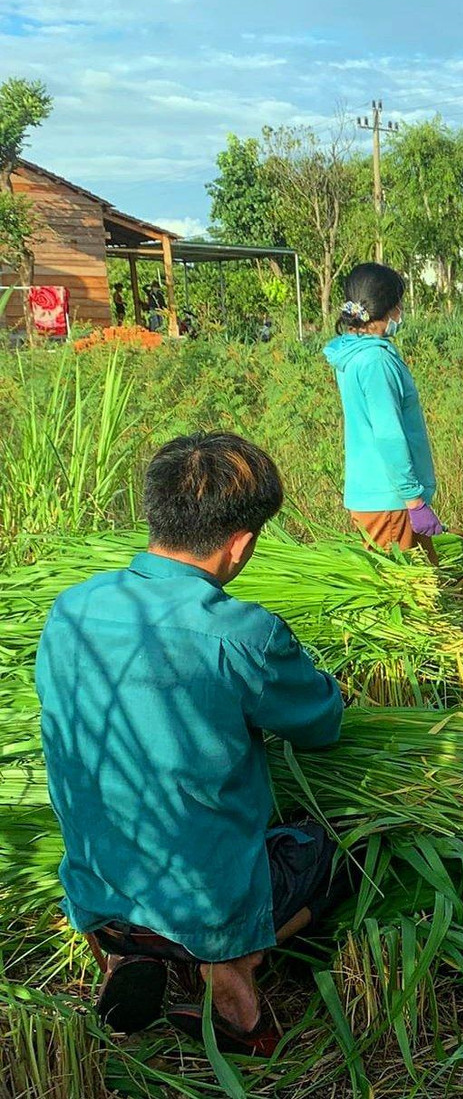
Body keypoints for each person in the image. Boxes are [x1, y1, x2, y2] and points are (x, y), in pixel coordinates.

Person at [36, 433, 346, 1057]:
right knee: (341, 849)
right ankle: (229, 970)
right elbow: (320, 728)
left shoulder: (70, 611)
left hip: (97, 879)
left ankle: (130, 949)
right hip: (206, 899)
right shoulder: (242, 633)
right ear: (242, 543)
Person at [324, 263, 445, 559]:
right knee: (404, 597)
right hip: (390, 500)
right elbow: (388, 435)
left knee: (427, 577)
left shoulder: (352, 353)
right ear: (385, 308)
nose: (401, 311)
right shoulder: (376, 362)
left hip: (380, 495)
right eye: (398, 304)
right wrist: (414, 501)